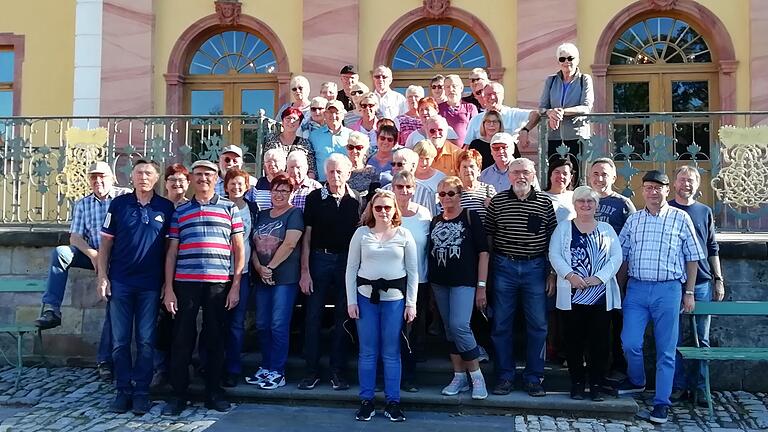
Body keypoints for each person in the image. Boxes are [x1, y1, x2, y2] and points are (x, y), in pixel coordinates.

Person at [616, 170, 705, 425]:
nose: (653, 192)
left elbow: (692, 257)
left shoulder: (680, 219)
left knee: (666, 350)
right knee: (630, 342)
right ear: (642, 191)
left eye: (658, 187)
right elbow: (623, 257)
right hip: (637, 289)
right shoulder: (633, 221)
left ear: (667, 190)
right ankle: (637, 380)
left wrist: (689, 292)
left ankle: (661, 403)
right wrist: (621, 290)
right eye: (648, 188)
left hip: (668, 290)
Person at [161, 159, 245, 415]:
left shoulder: (230, 208)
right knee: (182, 340)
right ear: (192, 179)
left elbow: (239, 249)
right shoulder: (181, 210)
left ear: (217, 178)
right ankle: (178, 395)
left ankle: (213, 393)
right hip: (185, 283)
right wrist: (169, 287)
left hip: (219, 285)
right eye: (198, 174)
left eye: (208, 174)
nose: (203, 178)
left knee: (215, 339)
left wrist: (235, 286)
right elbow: (171, 252)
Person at [35, 161, 130, 382]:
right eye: (93, 177)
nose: (98, 181)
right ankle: (52, 309)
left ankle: (105, 360)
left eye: (102, 177)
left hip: (118, 260)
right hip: (93, 255)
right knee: (61, 252)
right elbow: (75, 237)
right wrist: (94, 255)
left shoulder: (124, 196)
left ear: (112, 177)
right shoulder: (83, 204)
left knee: (112, 305)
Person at [98, 159, 174, 414]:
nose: (143, 177)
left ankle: (141, 392)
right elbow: (106, 244)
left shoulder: (166, 207)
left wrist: (168, 284)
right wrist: (102, 276)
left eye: (148, 173)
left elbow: (169, 250)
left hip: (150, 286)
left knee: (145, 341)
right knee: (119, 341)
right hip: (120, 282)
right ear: (131, 177)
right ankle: (123, 391)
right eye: (139, 172)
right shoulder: (119, 205)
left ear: (156, 179)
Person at [485, 157, 557, 397]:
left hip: (535, 267)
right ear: (509, 176)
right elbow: (489, 237)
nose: (520, 177)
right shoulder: (497, 202)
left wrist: (552, 273)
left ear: (534, 174)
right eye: (516, 172)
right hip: (504, 266)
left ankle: (534, 377)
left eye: (525, 172)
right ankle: (505, 376)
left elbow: (553, 240)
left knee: (538, 325)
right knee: (501, 324)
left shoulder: (545, 203)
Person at [346, 189, 418, 422]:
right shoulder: (361, 234)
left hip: (394, 300)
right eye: (378, 207)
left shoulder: (404, 234)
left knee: (391, 352)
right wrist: (351, 301)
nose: (383, 212)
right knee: (367, 352)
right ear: (372, 210)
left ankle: (392, 401)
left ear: (394, 209)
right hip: (366, 298)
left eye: (388, 207)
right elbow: (351, 269)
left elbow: (413, 272)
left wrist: (411, 303)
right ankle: (367, 400)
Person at [548, 186, 622, 402]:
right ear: (574, 204)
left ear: (596, 205)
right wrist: (570, 275)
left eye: (590, 201)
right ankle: (577, 384)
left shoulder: (607, 229)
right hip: (572, 295)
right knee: (574, 342)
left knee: (599, 343)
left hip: (600, 296)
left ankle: (597, 384)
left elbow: (616, 258)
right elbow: (554, 254)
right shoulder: (563, 228)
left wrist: (598, 278)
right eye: (581, 201)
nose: (586, 205)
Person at [298, 153, 363, 391]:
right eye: (331, 172)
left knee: (343, 318)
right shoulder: (315, 197)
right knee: (313, 316)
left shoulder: (357, 199)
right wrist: (305, 271)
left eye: (339, 172)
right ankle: (311, 371)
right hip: (319, 259)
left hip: (347, 262)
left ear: (348, 173)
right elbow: (307, 236)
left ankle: (338, 371)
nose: (335, 176)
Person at [669, 166, 726, 405]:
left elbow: (712, 248)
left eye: (691, 180)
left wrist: (718, 279)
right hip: (673, 281)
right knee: (675, 339)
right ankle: (678, 386)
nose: (686, 184)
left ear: (698, 184)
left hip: (702, 282)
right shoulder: (667, 209)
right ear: (674, 184)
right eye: (682, 180)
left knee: (701, 339)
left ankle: (701, 387)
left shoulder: (704, 211)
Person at [429, 176, 490, 401]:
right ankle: (459, 376)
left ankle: (476, 376)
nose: (446, 198)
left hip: (465, 281)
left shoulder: (470, 217)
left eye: (451, 193)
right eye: (442, 194)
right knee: (448, 328)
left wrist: (481, 285)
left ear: (460, 195)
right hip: (439, 282)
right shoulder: (435, 220)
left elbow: (483, 252)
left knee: (459, 326)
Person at [247, 173, 304, 390]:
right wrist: (260, 268)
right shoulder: (261, 215)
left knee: (278, 324)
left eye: (284, 191)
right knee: (262, 324)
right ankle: (266, 366)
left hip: (284, 278)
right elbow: (252, 244)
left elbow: (290, 244)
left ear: (291, 193)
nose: (279, 195)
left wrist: (270, 267)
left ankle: (278, 371)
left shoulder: (294, 214)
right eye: (276, 190)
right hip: (262, 277)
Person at [518, 43, 594, 183]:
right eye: (562, 59)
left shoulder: (585, 80)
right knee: (555, 175)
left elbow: (586, 107)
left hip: (577, 135)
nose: (566, 62)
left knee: (577, 177)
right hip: (554, 136)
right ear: (558, 62)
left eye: (570, 58)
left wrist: (562, 112)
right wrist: (551, 112)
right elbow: (542, 107)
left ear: (577, 60)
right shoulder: (551, 80)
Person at [588, 157, 636, 381]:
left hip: (614, 272)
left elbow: (633, 239)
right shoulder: (583, 200)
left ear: (614, 177)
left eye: (604, 174)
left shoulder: (623, 204)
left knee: (615, 321)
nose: (600, 178)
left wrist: (622, 275)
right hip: (586, 271)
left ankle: (616, 366)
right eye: (596, 173)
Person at [391, 171, 431, 391]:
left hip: (420, 280)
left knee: (413, 331)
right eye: (400, 187)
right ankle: (388, 375)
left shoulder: (424, 214)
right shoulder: (385, 211)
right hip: (392, 279)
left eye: (408, 187)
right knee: (392, 330)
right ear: (393, 188)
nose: (404, 191)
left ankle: (409, 377)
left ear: (414, 189)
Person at [152, 164, 191, 389]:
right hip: (156, 272)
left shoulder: (190, 207)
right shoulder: (159, 207)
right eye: (173, 180)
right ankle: (160, 368)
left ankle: (180, 367)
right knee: (159, 323)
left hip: (184, 273)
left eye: (181, 180)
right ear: (165, 183)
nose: (177, 184)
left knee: (181, 323)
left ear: (188, 184)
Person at [222, 168, 259, 387]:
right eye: (232, 183)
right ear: (226, 186)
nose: (236, 187)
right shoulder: (219, 206)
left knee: (237, 323)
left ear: (247, 187)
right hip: (218, 272)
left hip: (243, 272)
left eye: (241, 184)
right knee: (217, 322)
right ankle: (213, 363)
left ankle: (233, 368)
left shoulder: (253, 208)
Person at [463, 82, 531, 146]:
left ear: (502, 96)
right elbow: (468, 145)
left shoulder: (513, 114)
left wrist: (525, 130)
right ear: (483, 97)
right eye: (488, 94)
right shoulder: (475, 120)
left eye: (495, 94)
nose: (492, 97)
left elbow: (536, 114)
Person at [381, 148, 438, 216]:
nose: (395, 167)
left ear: (413, 166)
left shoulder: (425, 192)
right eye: (393, 164)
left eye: (400, 164)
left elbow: (431, 218)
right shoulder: (385, 190)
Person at [264, 107, 317, 177]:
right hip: (276, 182)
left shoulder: (304, 144)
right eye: (288, 118)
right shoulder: (272, 140)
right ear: (282, 121)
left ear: (299, 124)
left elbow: (311, 169)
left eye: (295, 119)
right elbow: (266, 164)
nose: (291, 121)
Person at [309, 100, 352, 182]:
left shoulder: (351, 135)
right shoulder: (314, 136)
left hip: (345, 182)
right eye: (330, 112)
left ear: (343, 115)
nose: (333, 115)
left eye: (337, 112)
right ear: (325, 114)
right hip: (322, 183)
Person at [439, 74, 478, 147]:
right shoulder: (438, 109)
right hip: (444, 152)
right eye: (447, 87)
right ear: (444, 90)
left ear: (461, 88)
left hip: (465, 152)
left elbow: (475, 131)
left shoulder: (470, 108)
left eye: (454, 86)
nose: (451, 89)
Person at [457, 150, 496, 222]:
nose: (468, 170)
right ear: (458, 171)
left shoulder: (488, 189)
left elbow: (498, 214)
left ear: (479, 170)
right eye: (464, 167)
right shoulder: (453, 192)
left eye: (471, 166)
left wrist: (492, 207)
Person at [542, 156, 576, 223]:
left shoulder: (575, 196)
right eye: (557, 172)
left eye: (565, 173)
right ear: (550, 175)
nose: (561, 176)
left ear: (570, 177)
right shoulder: (541, 197)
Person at [346, 131, 377, 197]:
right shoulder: (341, 169)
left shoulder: (371, 171)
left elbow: (374, 196)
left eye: (359, 148)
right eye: (350, 147)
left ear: (366, 150)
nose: (354, 151)